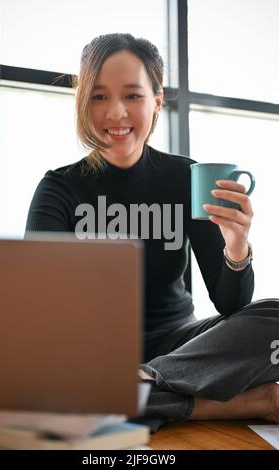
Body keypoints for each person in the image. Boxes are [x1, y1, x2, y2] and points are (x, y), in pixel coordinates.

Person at [26, 33, 279, 429]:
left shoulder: (186, 177)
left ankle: (139, 386)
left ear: (157, 101)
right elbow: (38, 309)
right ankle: (208, 404)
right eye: (98, 97)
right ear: (82, 103)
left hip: (183, 346)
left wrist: (237, 245)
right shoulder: (59, 188)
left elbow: (231, 305)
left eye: (132, 96)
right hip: (92, 352)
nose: (115, 114)